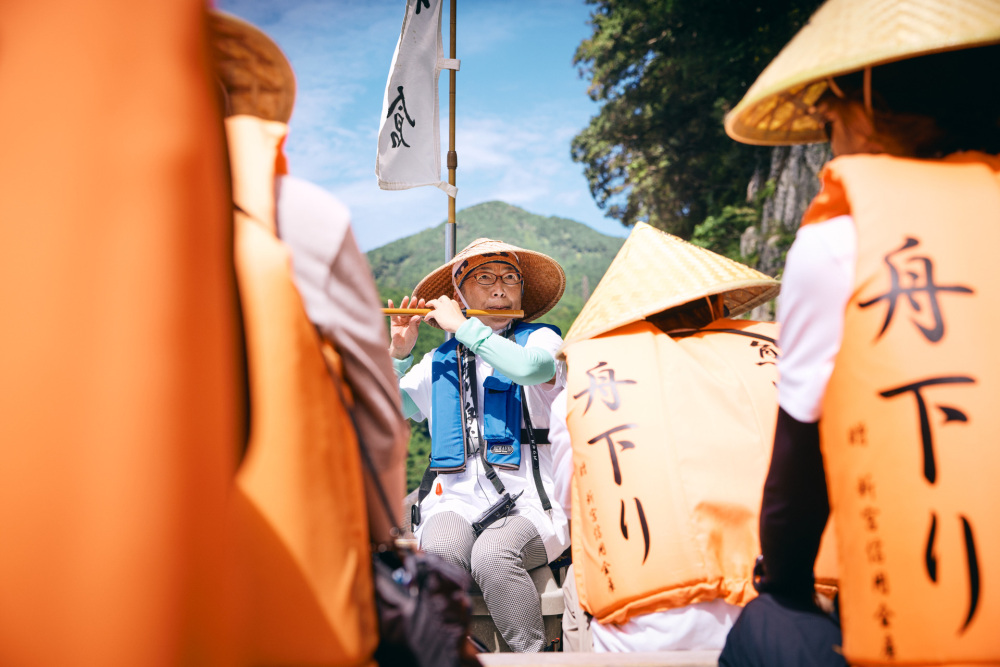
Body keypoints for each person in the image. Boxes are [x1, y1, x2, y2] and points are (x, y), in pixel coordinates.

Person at [721, 0, 1000, 664]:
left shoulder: (842, 241)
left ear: (867, 104)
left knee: (766, 628)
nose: (827, 128)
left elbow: (796, 480)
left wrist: (782, 587)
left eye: (829, 109)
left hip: (936, 636)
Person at [550, 222, 799, 653]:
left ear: (622, 320)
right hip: (784, 610)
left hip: (650, 635)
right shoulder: (783, 364)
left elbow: (572, 500)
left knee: (576, 581)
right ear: (717, 303)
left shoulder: (585, 384)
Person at [388, 238, 571, 652]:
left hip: (530, 503)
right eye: (484, 278)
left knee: (493, 557)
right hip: (453, 501)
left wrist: (464, 327)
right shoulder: (438, 359)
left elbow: (529, 369)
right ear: (459, 294)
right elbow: (386, 405)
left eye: (510, 279)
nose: (499, 288)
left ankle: (532, 658)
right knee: (440, 554)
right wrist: (398, 354)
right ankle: (448, 656)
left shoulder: (541, 339)